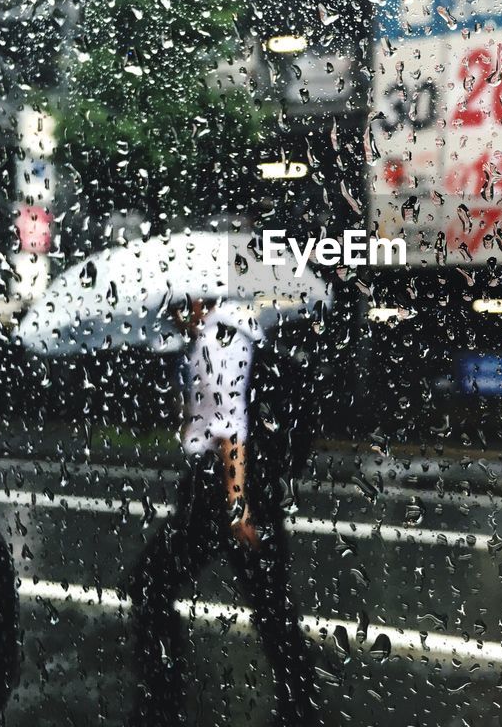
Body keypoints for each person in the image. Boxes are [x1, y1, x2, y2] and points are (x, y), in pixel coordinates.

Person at [125, 295, 322, 727]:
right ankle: (300, 701)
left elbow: (232, 428)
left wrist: (237, 507)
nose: (175, 316)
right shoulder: (224, 334)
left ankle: (162, 699)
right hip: (228, 484)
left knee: (151, 583)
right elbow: (209, 418)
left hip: (227, 486)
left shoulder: (220, 338)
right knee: (270, 602)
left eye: (178, 306)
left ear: (200, 299)